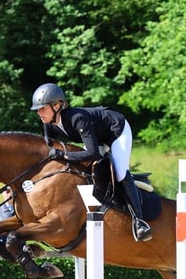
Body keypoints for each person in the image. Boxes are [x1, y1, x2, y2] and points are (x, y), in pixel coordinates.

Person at [30, 82, 153, 242]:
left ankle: (140, 221)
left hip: (116, 130)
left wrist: (63, 154)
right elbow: (49, 148)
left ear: (57, 105)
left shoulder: (77, 118)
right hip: (98, 137)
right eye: (38, 109)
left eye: (42, 108)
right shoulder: (49, 123)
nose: (39, 113)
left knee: (120, 172)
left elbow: (93, 153)